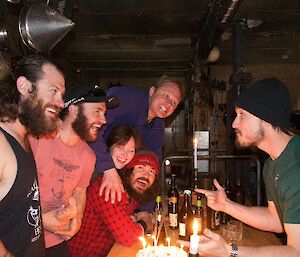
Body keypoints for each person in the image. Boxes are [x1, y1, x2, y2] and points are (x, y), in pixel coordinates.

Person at [180, 77, 300, 257]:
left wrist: (229, 251)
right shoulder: (272, 164)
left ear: (266, 118)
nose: (234, 124)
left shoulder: (296, 168)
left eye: (242, 114)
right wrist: (226, 205)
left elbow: (295, 251)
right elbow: (276, 220)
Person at [29, 83, 118, 257]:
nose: (104, 120)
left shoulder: (88, 156)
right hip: (21, 238)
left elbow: (79, 192)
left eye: (104, 114)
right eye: (97, 111)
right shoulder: (36, 137)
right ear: (74, 110)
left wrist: (77, 220)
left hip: (56, 240)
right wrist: (40, 220)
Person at [0, 55, 65, 257]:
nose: (61, 103)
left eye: (62, 95)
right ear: (24, 86)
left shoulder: (23, 138)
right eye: (54, 91)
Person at [89, 75, 184, 205]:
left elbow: (153, 163)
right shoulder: (124, 98)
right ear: (152, 91)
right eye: (166, 96)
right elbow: (93, 129)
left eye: (174, 103)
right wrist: (108, 170)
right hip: (87, 156)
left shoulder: (158, 124)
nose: (168, 104)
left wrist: (147, 210)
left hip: (112, 165)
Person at [68, 149, 159, 257]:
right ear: (129, 171)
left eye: (152, 172)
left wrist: (136, 217)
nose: (146, 175)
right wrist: (144, 222)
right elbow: (127, 237)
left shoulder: (132, 194)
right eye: (140, 167)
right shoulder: (107, 189)